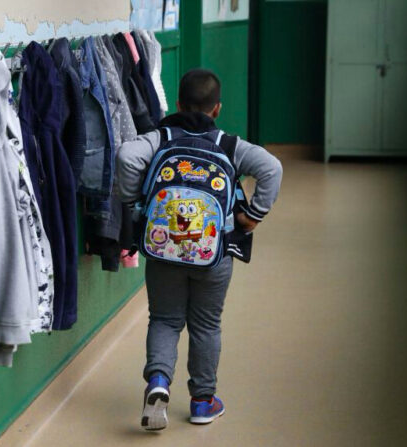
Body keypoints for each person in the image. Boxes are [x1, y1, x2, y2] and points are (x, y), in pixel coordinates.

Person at [116, 68, 283, 430]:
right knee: (206, 324)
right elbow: (272, 168)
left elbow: (127, 157)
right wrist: (251, 217)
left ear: (178, 104)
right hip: (214, 253)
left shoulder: (160, 137)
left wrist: (136, 207)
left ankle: (158, 382)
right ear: (217, 109)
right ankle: (202, 402)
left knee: (164, 319)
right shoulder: (229, 145)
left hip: (162, 251)